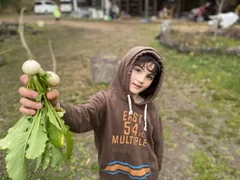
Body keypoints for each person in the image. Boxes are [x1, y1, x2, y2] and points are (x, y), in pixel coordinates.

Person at [18, 46, 164, 179]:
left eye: (149, 77)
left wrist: (156, 170)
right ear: (126, 67)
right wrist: (56, 105)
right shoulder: (105, 101)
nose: (141, 80)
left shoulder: (151, 110)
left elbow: (157, 144)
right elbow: (80, 117)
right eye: (138, 70)